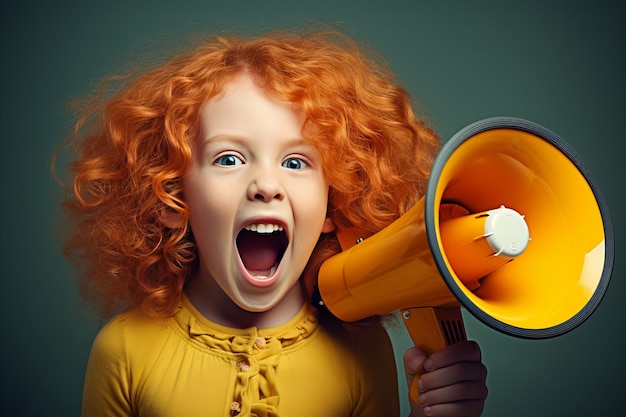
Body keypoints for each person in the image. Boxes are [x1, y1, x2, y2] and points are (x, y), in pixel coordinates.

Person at [58, 29, 488, 417]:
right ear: (172, 197)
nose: (266, 184)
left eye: (295, 161)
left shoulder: (364, 351)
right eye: (229, 158)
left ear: (333, 204)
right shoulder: (123, 350)